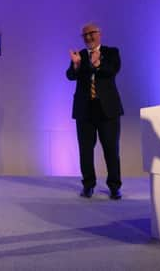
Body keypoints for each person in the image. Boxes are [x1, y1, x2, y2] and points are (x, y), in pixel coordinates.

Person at [66, 23, 124, 200]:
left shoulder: (111, 52)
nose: (88, 37)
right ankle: (88, 185)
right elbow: (70, 75)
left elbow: (112, 70)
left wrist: (97, 63)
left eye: (91, 33)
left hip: (107, 110)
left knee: (111, 149)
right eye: (85, 35)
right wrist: (76, 65)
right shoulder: (80, 55)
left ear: (99, 34)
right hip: (85, 110)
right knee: (85, 150)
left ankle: (114, 187)